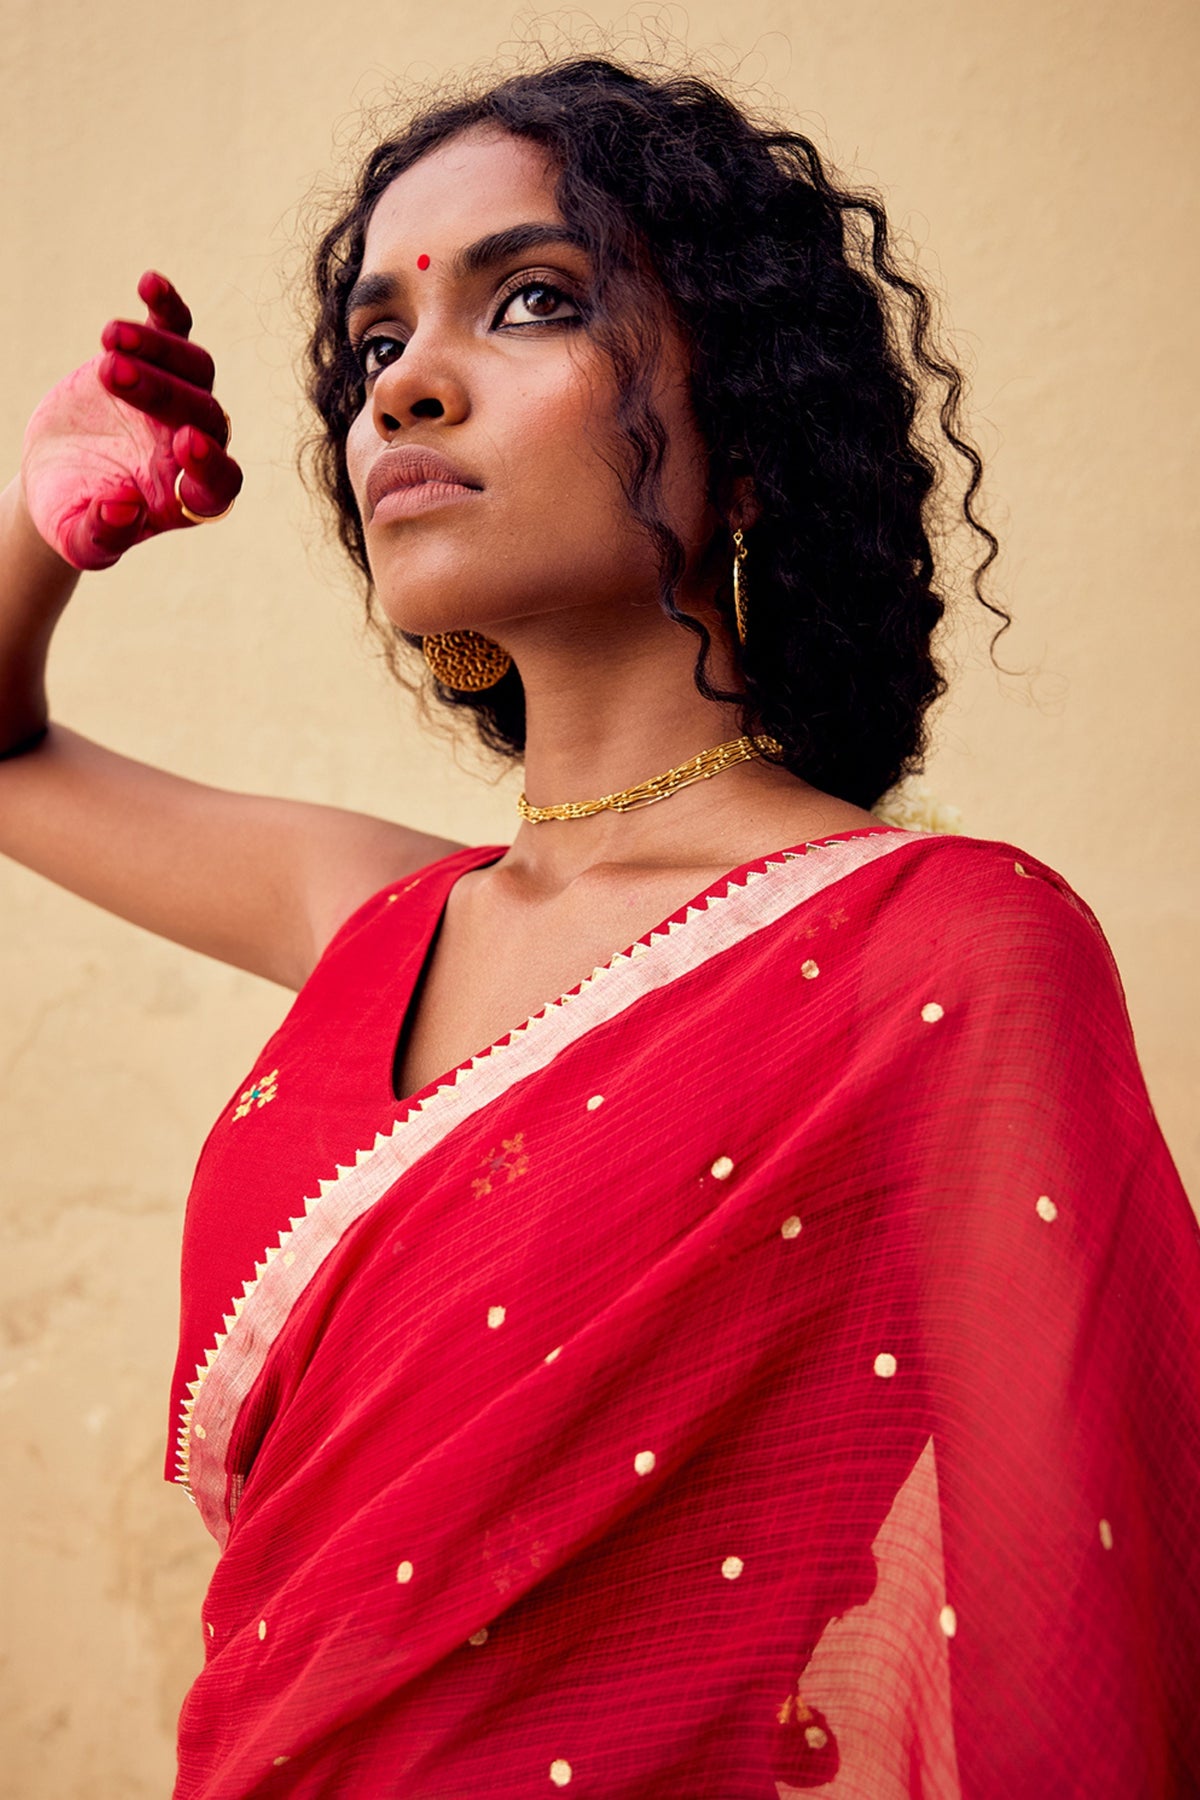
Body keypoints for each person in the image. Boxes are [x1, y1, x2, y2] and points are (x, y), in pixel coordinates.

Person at [2, 54, 1198, 1800]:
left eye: (534, 300)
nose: (407, 386)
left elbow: (1060, 1623)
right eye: (375, 344)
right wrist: (40, 534)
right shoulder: (374, 919)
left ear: (750, 441)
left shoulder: (943, 956)